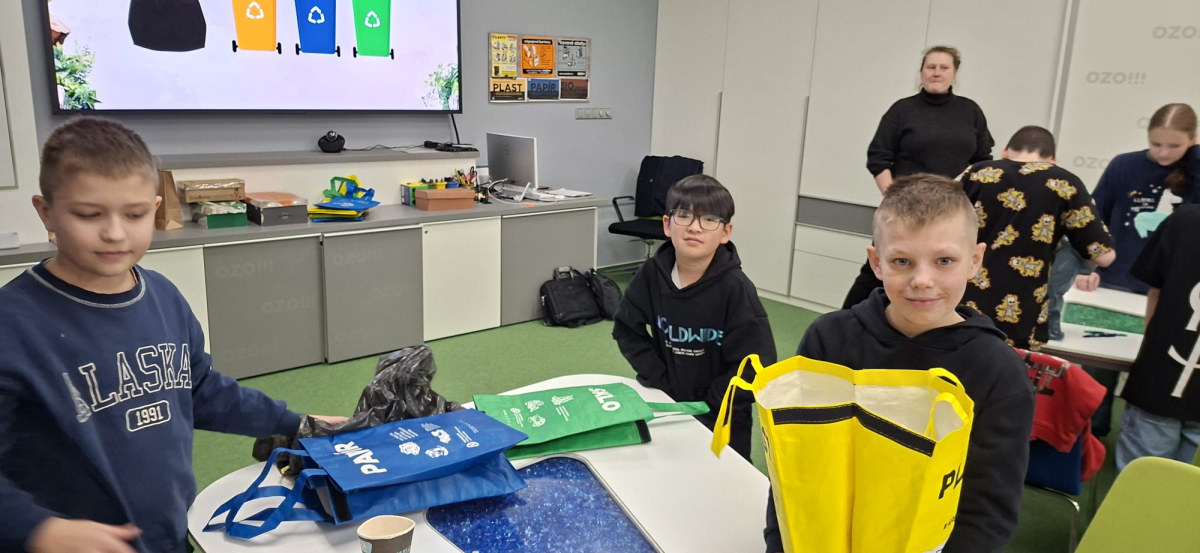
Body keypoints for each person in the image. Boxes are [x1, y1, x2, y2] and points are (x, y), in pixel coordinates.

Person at [0, 117, 345, 553]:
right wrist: (38, 530)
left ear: (156, 207)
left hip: (166, 535)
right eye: (88, 214)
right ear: (46, 211)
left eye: (135, 214)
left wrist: (294, 423)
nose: (114, 232)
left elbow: (200, 390)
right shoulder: (12, 324)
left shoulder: (162, 296)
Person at [765, 174, 1033, 553]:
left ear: (974, 261)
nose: (921, 280)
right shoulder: (829, 340)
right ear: (877, 262)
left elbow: (987, 511)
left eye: (944, 261)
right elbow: (794, 467)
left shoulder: (998, 372)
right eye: (902, 261)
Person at [613, 175, 777, 461]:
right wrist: (660, 380)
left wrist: (710, 402)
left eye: (709, 219)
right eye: (684, 215)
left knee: (723, 476)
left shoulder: (736, 289)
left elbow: (755, 365)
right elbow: (627, 329)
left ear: (725, 232)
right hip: (667, 402)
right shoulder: (651, 274)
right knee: (667, 465)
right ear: (667, 224)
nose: (695, 227)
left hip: (722, 416)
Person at [843, 45, 995, 309]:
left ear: (954, 73)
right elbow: (878, 157)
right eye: (931, 67)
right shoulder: (902, 110)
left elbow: (982, 162)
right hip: (905, 210)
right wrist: (895, 199)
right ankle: (845, 324)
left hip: (950, 212)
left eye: (944, 67)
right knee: (880, 272)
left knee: (944, 275)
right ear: (922, 71)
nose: (936, 72)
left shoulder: (970, 111)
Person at [959, 125, 1116, 349]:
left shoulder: (977, 172)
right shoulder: (1065, 183)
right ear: (1053, 160)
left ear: (1005, 152)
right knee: (1009, 368)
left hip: (963, 301)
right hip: (1023, 311)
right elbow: (1103, 255)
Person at [1114, 203, 1200, 471]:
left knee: (1142, 480)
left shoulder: (1184, 220)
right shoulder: (1185, 220)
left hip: (1161, 374)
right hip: (1162, 380)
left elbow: (1156, 294)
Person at [1092, 103, 1200, 294]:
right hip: (1113, 280)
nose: (1163, 152)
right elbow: (1094, 219)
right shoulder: (1124, 165)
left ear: (1193, 140)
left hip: (1170, 289)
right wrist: (1085, 267)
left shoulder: (1196, 172)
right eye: (1156, 144)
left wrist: (1197, 157)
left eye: (1174, 146)